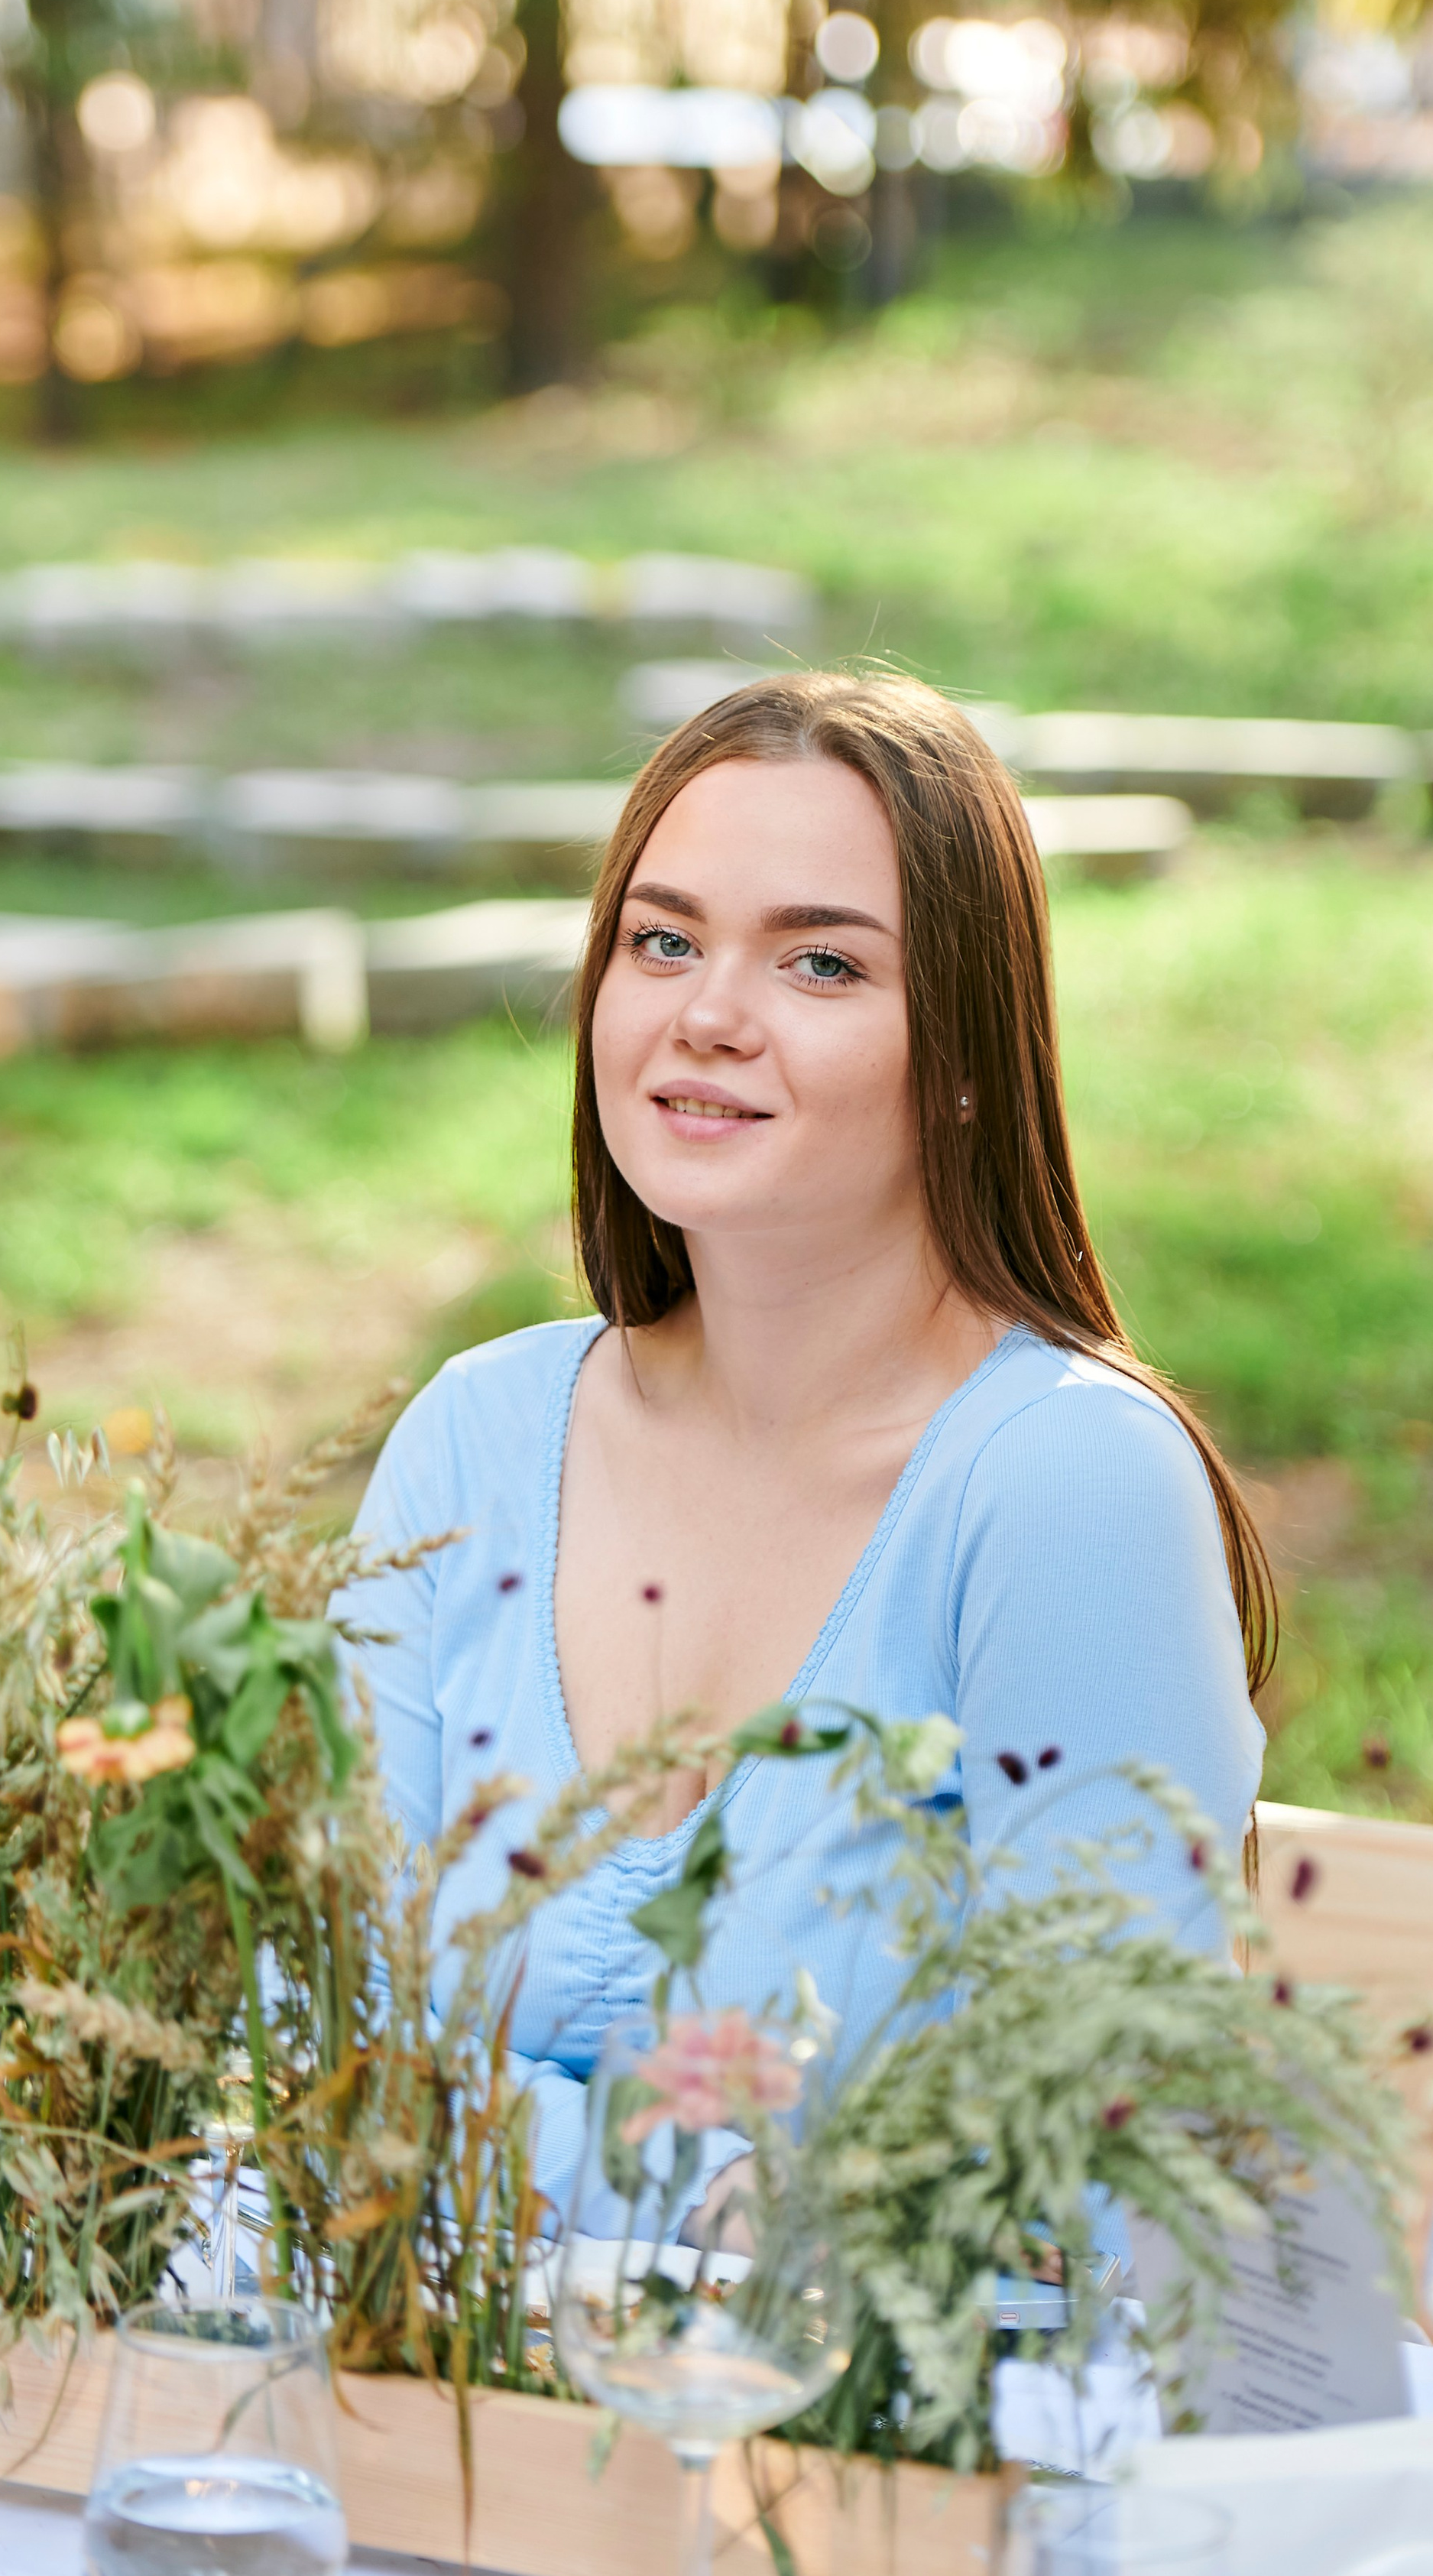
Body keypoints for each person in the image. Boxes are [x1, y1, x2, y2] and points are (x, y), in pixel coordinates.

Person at [336, 672, 1270, 2232]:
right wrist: (697, 2203)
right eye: (663, 940)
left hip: (893, 2466)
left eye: (820, 963)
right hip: (420, 2434)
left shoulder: (1063, 1492)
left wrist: (490, 2165)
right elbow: (317, 2047)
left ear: (963, 1053)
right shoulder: (474, 1438)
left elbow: (1080, 2185)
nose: (706, 1013)